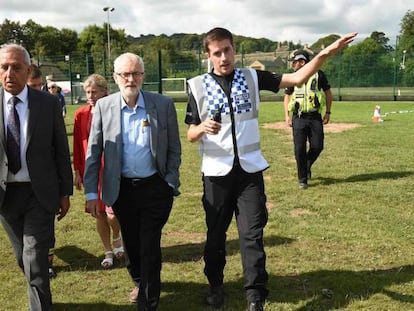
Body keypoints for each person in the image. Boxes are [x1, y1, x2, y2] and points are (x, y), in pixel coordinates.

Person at [185, 27, 356, 311]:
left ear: (233, 49)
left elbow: (299, 77)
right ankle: (215, 286)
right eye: (217, 53)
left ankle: (255, 297)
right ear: (208, 55)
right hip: (216, 174)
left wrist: (325, 53)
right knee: (216, 237)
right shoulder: (197, 85)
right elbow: (190, 134)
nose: (224, 57)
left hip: (250, 173)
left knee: (252, 235)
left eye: (227, 50)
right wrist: (202, 128)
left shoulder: (252, 77)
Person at [84, 52, 181, 310]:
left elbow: (174, 148)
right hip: (122, 190)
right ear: (116, 78)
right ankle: (139, 279)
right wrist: (91, 193)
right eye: (125, 74)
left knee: (149, 244)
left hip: (155, 188)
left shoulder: (162, 104)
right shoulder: (104, 107)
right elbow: (93, 153)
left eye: (136, 73)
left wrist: (170, 181)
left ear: (143, 76)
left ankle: (148, 303)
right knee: (132, 243)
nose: (131, 79)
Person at [0, 43, 73, 310]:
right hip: (5, 196)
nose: (10, 73)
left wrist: (65, 192)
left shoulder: (47, 104)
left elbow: (60, 150)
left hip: (39, 194)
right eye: (4, 67)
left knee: (35, 257)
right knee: (23, 257)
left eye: (16, 68)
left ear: (28, 70)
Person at [73, 74, 124, 269]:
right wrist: (78, 170)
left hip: (111, 169)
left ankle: (118, 237)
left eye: (94, 91)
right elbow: (78, 144)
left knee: (112, 213)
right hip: (91, 170)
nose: (90, 96)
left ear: (105, 91)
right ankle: (108, 251)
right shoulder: (81, 114)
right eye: (87, 92)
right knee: (98, 213)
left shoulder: (115, 111)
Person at [27, 64, 59, 279]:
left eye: (40, 86)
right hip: (19, 185)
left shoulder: (48, 105)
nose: (38, 89)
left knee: (46, 227)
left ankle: (46, 261)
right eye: (33, 86)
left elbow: (58, 149)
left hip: (46, 181)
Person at [283, 50, 333, 189]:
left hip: (315, 116)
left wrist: (328, 112)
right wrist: (287, 115)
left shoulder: (319, 75)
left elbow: (328, 93)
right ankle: (302, 179)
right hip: (298, 117)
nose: (293, 65)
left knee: (317, 146)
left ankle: (306, 165)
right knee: (299, 148)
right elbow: (287, 96)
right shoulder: (293, 77)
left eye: (294, 62)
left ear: (302, 62)